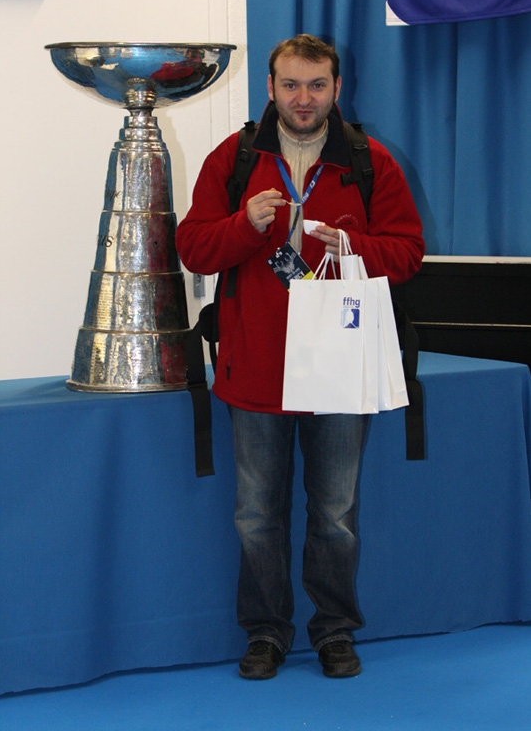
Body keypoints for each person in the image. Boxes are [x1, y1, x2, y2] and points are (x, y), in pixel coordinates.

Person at [176, 34, 425, 680]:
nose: (303, 98)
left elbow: (406, 253)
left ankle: (333, 632)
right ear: (269, 88)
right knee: (256, 516)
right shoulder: (231, 160)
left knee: (335, 516)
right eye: (290, 84)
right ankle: (264, 634)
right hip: (254, 370)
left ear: (336, 88)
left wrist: (349, 246)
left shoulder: (369, 164)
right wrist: (242, 226)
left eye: (316, 85)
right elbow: (195, 250)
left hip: (340, 371)